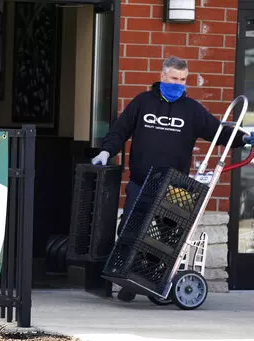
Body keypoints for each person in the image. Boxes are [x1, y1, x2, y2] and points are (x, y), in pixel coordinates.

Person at [92, 56, 254, 302]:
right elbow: (120, 129)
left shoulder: (191, 110)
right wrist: (106, 151)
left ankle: (155, 282)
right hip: (141, 181)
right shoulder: (142, 103)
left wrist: (244, 138)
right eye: (174, 78)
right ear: (162, 76)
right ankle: (129, 282)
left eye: (183, 79)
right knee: (130, 231)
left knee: (166, 240)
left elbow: (216, 132)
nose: (178, 84)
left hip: (174, 186)